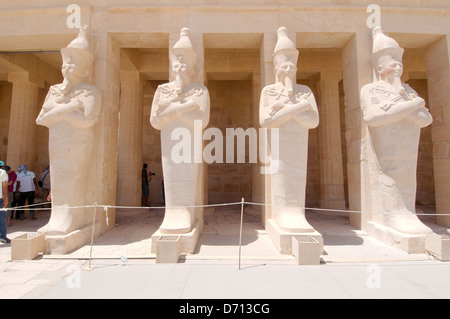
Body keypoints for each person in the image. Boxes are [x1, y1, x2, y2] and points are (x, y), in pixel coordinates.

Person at [360, 27, 433, 234]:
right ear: (380, 68)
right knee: (390, 173)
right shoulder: (371, 90)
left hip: (408, 143)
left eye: (399, 63)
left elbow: (425, 119)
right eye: (393, 64)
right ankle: (393, 214)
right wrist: (412, 105)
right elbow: (373, 117)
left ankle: (408, 212)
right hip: (387, 146)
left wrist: (398, 107)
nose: (398, 67)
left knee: (408, 175)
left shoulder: (408, 91)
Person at [0, 161, 10, 243]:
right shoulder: (2, 173)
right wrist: (5, 198)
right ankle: (2, 236)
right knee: (2, 218)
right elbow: (4, 186)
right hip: (0, 198)